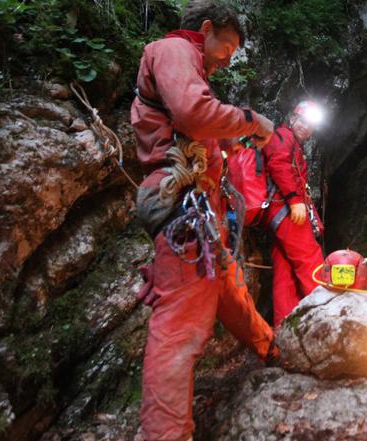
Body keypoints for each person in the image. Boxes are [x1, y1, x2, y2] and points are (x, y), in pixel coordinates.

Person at [130, 2, 278, 440]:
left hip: (200, 213)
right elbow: (193, 113)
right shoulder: (173, 50)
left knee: (229, 290)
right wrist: (250, 121)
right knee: (181, 327)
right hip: (183, 211)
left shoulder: (189, 65)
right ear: (207, 29)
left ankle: (273, 350)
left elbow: (194, 125)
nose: (227, 57)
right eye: (227, 46)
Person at [261, 101, 325, 326]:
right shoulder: (282, 136)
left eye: (311, 125)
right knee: (310, 258)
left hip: (280, 213)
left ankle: (284, 325)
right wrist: (294, 200)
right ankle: (324, 314)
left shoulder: (294, 145)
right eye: (303, 121)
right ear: (292, 118)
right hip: (285, 210)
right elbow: (278, 164)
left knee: (284, 269)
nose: (306, 127)